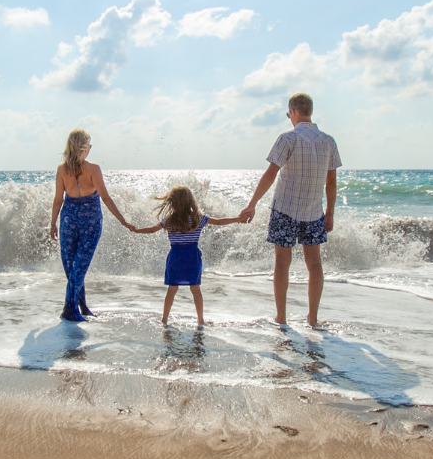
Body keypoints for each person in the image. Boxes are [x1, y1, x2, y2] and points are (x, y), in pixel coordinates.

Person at [238, 93, 341, 328]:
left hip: (285, 209)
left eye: (288, 114)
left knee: (282, 263)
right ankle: (312, 319)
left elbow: (270, 174)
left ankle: (282, 318)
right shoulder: (328, 141)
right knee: (314, 264)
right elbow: (331, 183)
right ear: (310, 112)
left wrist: (252, 203)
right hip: (314, 212)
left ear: (293, 112)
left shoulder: (288, 139)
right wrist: (331, 213)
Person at [50, 129, 133, 322]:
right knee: (79, 265)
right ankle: (70, 308)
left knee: (73, 266)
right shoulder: (93, 169)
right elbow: (104, 197)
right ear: (86, 149)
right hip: (90, 220)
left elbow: (57, 200)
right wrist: (122, 220)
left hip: (69, 219)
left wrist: (53, 223)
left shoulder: (62, 170)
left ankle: (81, 306)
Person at [131, 185, 242, 325]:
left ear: (172, 202)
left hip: (175, 257)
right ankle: (201, 320)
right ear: (190, 200)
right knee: (195, 289)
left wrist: (137, 230)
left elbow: (153, 229)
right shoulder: (198, 218)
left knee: (172, 289)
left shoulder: (169, 219)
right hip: (192, 257)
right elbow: (219, 221)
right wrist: (237, 219)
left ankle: (164, 319)